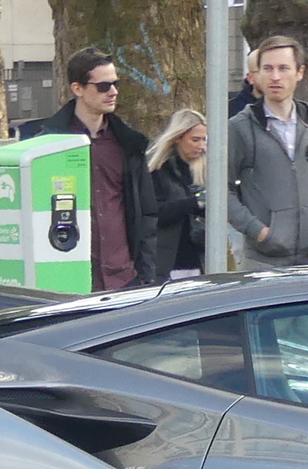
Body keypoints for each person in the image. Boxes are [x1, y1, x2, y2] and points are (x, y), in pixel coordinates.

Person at [32, 47, 161, 291]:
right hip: (69, 278)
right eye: (103, 86)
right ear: (77, 89)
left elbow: (146, 213)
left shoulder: (128, 144)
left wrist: (145, 275)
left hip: (125, 277)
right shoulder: (50, 144)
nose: (113, 92)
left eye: (115, 84)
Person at [224, 34, 308, 269]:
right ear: (257, 75)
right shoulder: (240, 127)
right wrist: (258, 231)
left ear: (299, 73)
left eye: (284, 68)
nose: (275, 77)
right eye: (268, 68)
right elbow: (220, 190)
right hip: (264, 260)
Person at [146, 109, 210, 277]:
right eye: (195, 140)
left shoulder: (204, 171)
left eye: (204, 140)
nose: (201, 147)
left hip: (200, 257)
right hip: (168, 259)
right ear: (178, 138)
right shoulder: (158, 170)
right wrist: (195, 202)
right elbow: (154, 213)